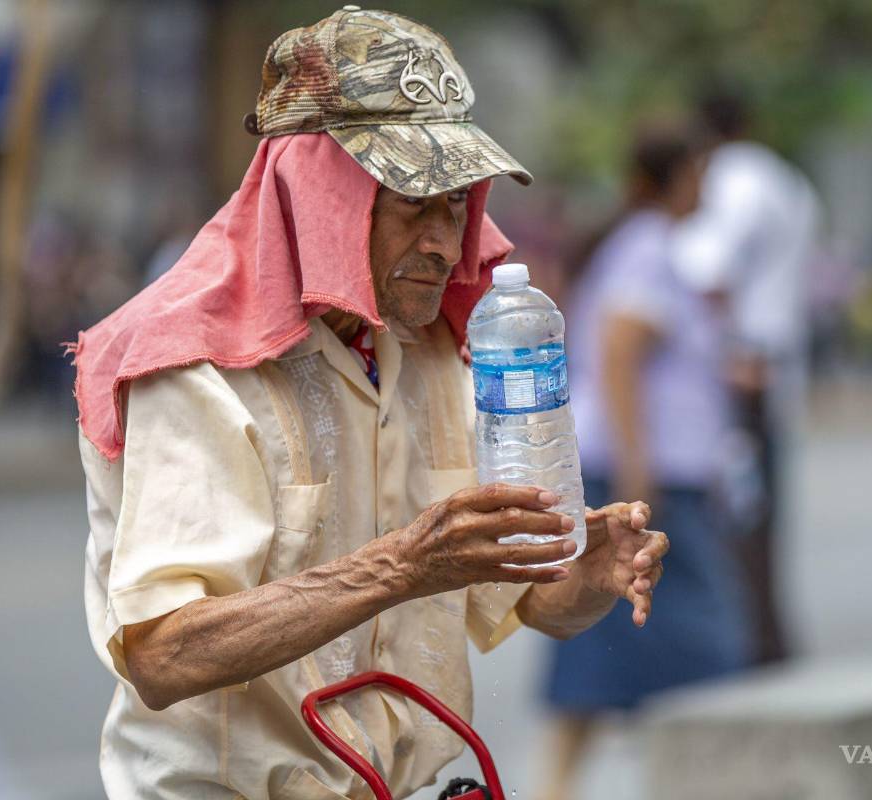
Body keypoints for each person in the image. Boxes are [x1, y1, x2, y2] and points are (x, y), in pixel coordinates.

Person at [70, 9, 668, 799]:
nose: (447, 243)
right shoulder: (194, 370)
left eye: (457, 204)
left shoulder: (426, 353)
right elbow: (163, 654)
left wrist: (583, 578)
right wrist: (402, 565)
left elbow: (519, 600)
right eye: (414, 202)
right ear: (322, 196)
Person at [538, 128, 752, 800]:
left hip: (647, 474)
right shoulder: (649, 249)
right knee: (704, 646)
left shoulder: (643, 247)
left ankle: (560, 786)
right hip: (645, 482)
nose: (706, 187)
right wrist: (637, 473)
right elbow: (621, 352)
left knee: (608, 653)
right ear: (676, 176)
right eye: (698, 170)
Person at [670, 91, 821, 665]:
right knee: (759, 516)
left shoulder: (735, 179)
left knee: (730, 523)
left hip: (736, 371)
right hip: (771, 366)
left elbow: (705, 270)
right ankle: (766, 641)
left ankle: (743, 648)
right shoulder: (788, 181)